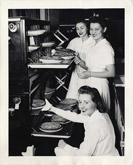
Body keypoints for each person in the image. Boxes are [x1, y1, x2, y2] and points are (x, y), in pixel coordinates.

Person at [42, 86, 119, 156]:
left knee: (58, 150)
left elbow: (83, 155)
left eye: (86, 102)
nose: (81, 106)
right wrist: (52, 108)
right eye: (80, 102)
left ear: (96, 103)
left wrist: (64, 146)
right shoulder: (100, 114)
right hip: (111, 156)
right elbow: (74, 116)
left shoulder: (95, 125)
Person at [76, 16, 115, 111]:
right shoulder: (94, 45)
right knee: (90, 118)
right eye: (91, 29)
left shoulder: (106, 47)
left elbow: (111, 73)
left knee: (98, 118)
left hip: (99, 86)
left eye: (97, 29)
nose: (93, 32)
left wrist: (89, 74)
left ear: (104, 29)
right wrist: (79, 61)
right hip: (91, 85)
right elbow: (91, 67)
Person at [65, 19, 95, 99]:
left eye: (82, 28)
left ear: (87, 28)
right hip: (76, 74)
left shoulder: (93, 42)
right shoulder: (74, 41)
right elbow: (66, 54)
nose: (79, 31)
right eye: (77, 28)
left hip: (88, 76)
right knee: (73, 99)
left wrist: (79, 60)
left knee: (86, 99)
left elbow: (95, 66)